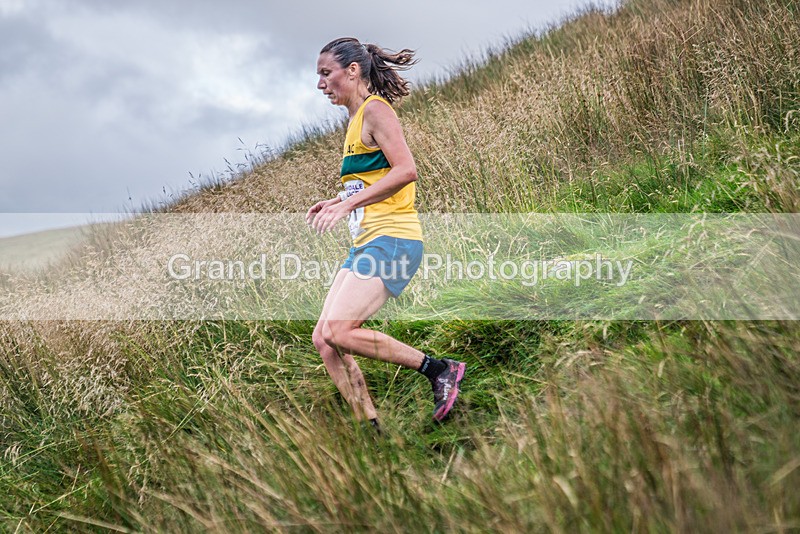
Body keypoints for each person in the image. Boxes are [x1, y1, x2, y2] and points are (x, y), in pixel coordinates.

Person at [306, 37, 466, 429]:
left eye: (326, 74)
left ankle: (439, 370)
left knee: (341, 330)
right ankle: (371, 429)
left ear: (353, 70)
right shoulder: (354, 121)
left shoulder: (376, 111)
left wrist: (347, 205)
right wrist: (337, 201)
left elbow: (405, 170)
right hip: (367, 240)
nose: (320, 84)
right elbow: (370, 183)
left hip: (394, 239)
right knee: (324, 340)